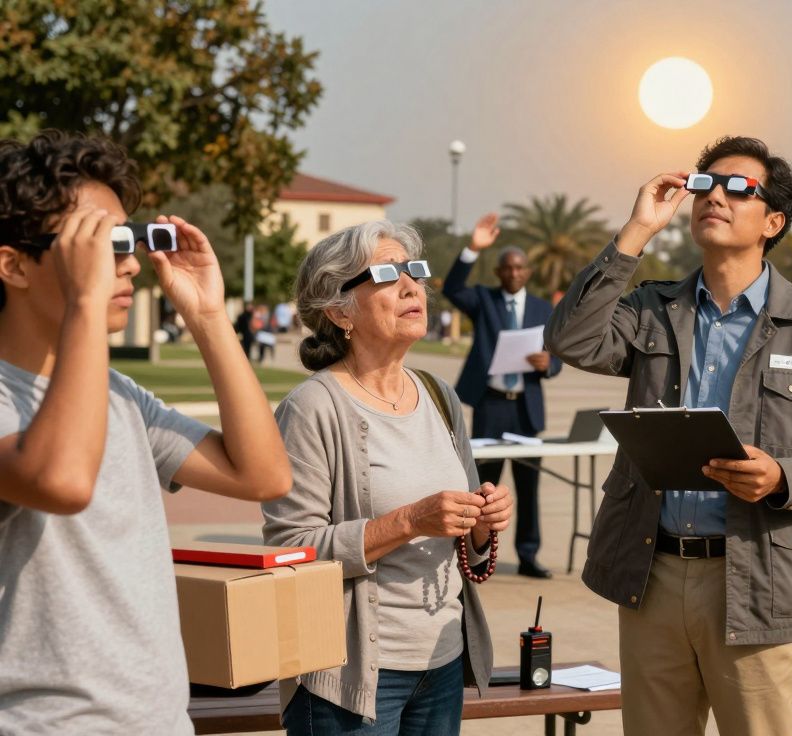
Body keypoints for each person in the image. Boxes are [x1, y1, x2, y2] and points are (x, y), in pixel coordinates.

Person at [545, 136, 792, 736]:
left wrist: (782, 476)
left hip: (756, 580)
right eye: (705, 185)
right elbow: (570, 339)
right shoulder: (653, 309)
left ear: (772, 221)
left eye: (737, 188)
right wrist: (635, 233)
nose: (714, 196)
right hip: (654, 571)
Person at [0, 130, 291, 733]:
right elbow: (62, 481)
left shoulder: (120, 395)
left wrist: (210, 318)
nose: (130, 263)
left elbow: (262, 473)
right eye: (100, 245)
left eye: (129, 240)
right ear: (13, 264)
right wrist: (85, 302)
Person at [263, 220, 512, 735]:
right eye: (385, 273)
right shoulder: (313, 407)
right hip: (347, 677)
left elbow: (468, 543)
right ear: (338, 311)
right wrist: (411, 520)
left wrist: (483, 521)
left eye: (414, 271)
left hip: (442, 663)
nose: (410, 286)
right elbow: (291, 550)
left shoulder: (440, 395)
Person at [442, 213, 561, 579]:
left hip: (525, 409)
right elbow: (451, 288)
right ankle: (477, 554)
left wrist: (548, 363)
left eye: (520, 268)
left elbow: (557, 356)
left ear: (527, 272)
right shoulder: (483, 300)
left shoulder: (543, 309)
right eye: (507, 268)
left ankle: (528, 556)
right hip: (491, 406)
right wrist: (472, 248)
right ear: (498, 271)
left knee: (528, 488)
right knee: (482, 490)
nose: (513, 273)